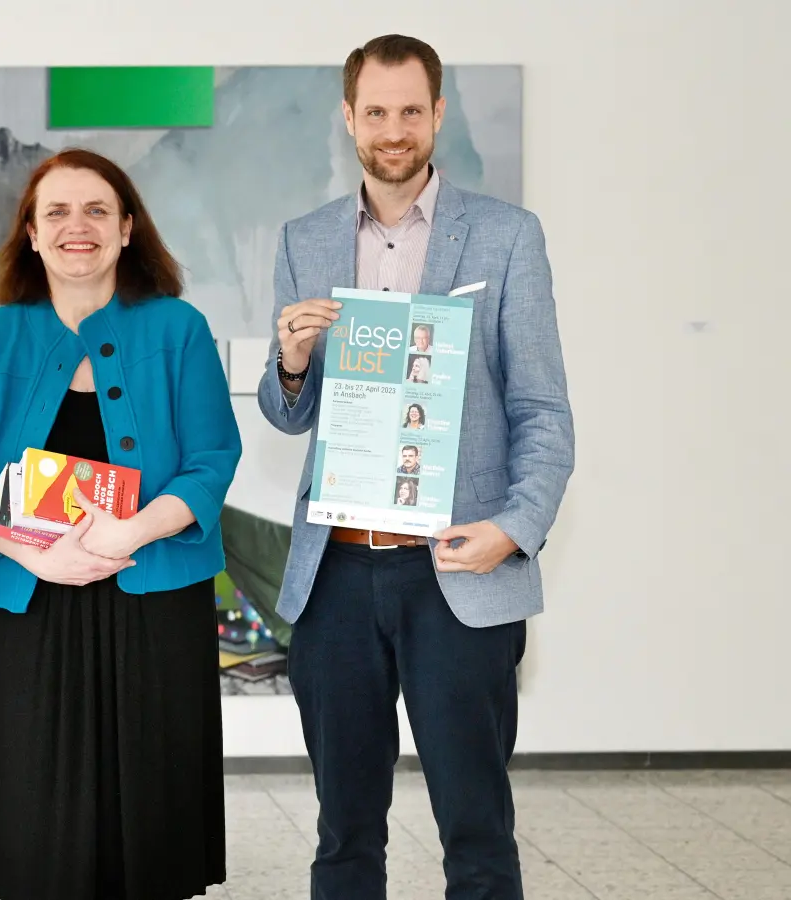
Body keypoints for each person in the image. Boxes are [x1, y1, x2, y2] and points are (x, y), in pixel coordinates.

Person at [258, 34, 574, 900]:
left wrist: (513, 530)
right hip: (337, 576)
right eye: (375, 112)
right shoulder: (305, 238)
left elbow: (543, 411)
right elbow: (291, 414)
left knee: (476, 829)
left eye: (409, 110)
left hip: (455, 572)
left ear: (437, 113)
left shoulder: (507, 237)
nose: (392, 130)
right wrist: (288, 363)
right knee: (343, 832)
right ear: (348, 119)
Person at [0, 148, 240, 900]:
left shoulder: (179, 328)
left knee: (151, 800)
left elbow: (211, 457)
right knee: (31, 810)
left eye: (98, 210)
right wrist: (34, 554)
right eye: (57, 212)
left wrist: (131, 533)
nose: (79, 227)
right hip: (24, 601)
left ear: (129, 228)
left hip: (153, 595)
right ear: (32, 236)